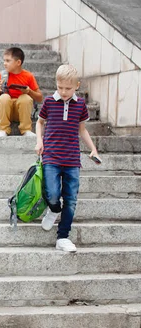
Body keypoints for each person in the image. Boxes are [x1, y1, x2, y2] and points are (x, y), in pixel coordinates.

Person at [35, 64, 99, 252]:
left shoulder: (80, 105)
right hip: (51, 157)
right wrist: (39, 141)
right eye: (60, 87)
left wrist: (93, 149)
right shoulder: (48, 102)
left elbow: (82, 130)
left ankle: (63, 237)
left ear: (76, 86)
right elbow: (39, 123)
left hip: (72, 160)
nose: (63, 92)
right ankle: (54, 210)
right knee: (53, 194)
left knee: (70, 200)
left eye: (68, 88)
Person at [0, 47, 43, 137]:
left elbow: (40, 98)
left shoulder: (28, 76)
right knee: (4, 97)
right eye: (4, 60)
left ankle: (26, 129)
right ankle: (3, 129)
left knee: (25, 98)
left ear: (18, 62)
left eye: (8, 61)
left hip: (22, 112)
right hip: (6, 112)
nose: (4, 63)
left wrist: (29, 91)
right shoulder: (3, 75)